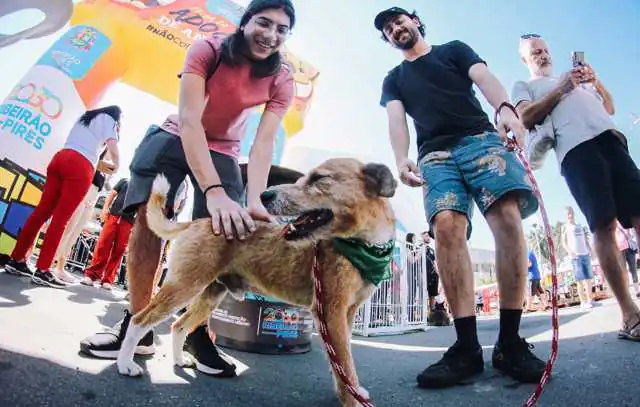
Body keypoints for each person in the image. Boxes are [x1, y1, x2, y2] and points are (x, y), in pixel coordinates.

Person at [79, 0, 296, 376]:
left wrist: (256, 198)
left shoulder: (282, 79)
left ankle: (196, 334)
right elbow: (191, 121)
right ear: (246, 22)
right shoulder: (207, 49)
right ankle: (138, 325)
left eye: (282, 29)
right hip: (177, 136)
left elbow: (262, 143)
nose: (271, 34)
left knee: (222, 240)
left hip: (226, 151)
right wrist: (212, 189)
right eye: (264, 22)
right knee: (149, 224)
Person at [375, 7, 545, 389]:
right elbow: (396, 120)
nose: (395, 28)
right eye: (387, 29)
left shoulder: (453, 49)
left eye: (399, 20)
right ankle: (466, 347)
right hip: (435, 155)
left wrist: (504, 108)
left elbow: (484, 77)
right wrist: (401, 157)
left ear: (415, 22)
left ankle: (510, 343)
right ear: (387, 40)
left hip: (481, 139)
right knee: (446, 228)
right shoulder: (394, 78)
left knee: (506, 218)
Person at [514, 34, 640, 340]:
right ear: (526, 59)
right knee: (603, 225)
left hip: (611, 140)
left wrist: (595, 82)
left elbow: (609, 107)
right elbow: (526, 116)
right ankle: (629, 314)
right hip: (577, 151)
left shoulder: (575, 78)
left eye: (545, 50)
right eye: (536, 52)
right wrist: (562, 88)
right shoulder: (526, 85)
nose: (543, 55)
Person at [4, 106, 120, 289]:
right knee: (61, 219)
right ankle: (43, 269)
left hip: (61, 158)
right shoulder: (110, 120)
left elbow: (80, 148)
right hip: (80, 168)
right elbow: (113, 148)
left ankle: (16, 259)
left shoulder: (85, 118)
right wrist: (117, 165)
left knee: (40, 212)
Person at [53, 150, 112, 283]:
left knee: (74, 233)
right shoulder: (96, 155)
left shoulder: (106, 168)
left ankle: (60, 266)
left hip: (92, 199)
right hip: (84, 192)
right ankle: (51, 262)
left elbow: (104, 186)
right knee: (68, 229)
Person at [80, 178, 136, 290]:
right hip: (114, 216)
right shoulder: (124, 181)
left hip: (128, 222)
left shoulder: (145, 189)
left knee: (119, 250)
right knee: (103, 245)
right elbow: (112, 194)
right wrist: (105, 209)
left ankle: (108, 279)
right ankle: (92, 275)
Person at [561, 206, 596, 309]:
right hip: (575, 256)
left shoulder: (579, 226)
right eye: (568, 214)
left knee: (588, 278)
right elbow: (563, 242)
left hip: (585, 254)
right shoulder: (565, 227)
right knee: (580, 280)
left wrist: (591, 250)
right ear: (566, 216)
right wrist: (569, 251)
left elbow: (585, 240)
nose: (570, 215)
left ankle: (590, 299)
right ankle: (583, 302)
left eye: (571, 213)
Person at [615, 221, 640, 298]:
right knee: (623, 271)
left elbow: (633, 232)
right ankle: (627, 292)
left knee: (633, 269)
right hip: (619, 249)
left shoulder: (624, 218)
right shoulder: (612, 223)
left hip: (630, 247)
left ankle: (637, 290)